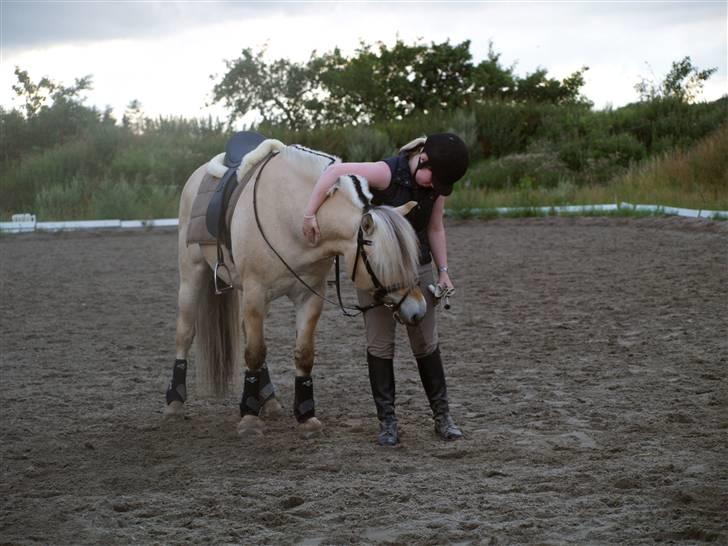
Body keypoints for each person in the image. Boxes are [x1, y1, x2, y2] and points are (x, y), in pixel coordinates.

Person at [302, 133, 468, 446]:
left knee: (426, 343)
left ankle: (443, 417)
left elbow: (434, 227)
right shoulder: (386, 172)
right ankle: (388, 422)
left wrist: (443, 272)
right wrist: (310, 213)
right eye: (435, 179)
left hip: (415, 267)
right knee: (379, 345)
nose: (436, 187)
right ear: (422, 158)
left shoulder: (437, 183)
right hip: (376, 273)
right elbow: (335, 172)